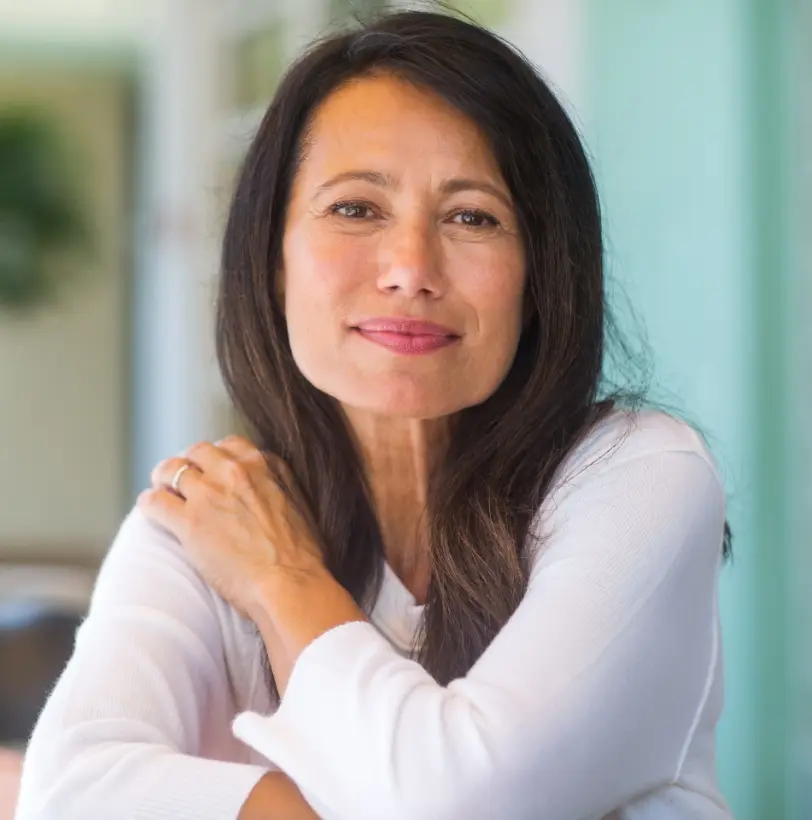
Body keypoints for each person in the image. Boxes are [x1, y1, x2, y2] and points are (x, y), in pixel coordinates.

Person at [15, 9, 733, 820]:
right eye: (356, 208)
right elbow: (66, 794)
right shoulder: (212, 513)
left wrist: (283, 582)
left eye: (473, 217)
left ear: (540, 276)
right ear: (273, 259)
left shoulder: (641, 474)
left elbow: (460, 801)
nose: (410, 269)